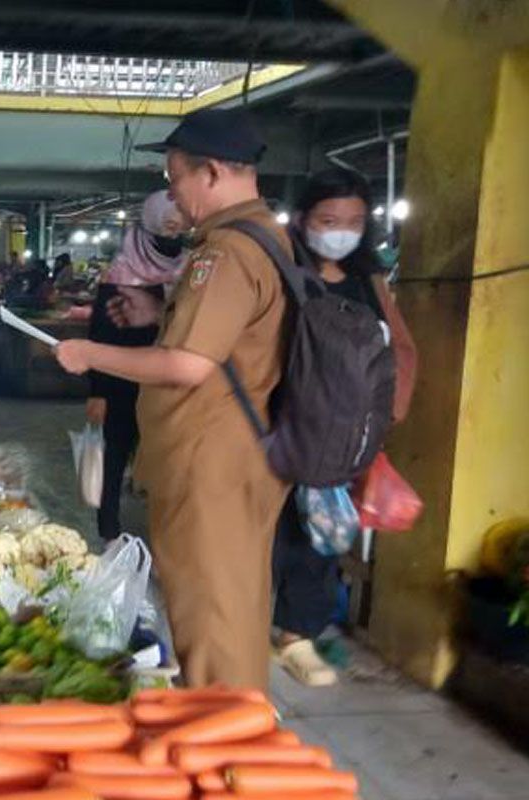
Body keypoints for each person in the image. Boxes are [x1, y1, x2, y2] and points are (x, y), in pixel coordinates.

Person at [54, 107, 290, 690]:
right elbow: (229, 346)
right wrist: (159, 314)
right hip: (234, 458)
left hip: (213, 464)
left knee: (213, 621)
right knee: (226, 608)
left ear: (210, 173)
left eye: (175, 178)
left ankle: (226, 752)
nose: (173, 195)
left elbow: (186, 366)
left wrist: (90, 355)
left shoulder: (227, 252)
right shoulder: (260, 238)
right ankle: (229, 730)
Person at [271, 167, 418, 686]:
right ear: (304, 219)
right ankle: (257, 621)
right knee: (272, 524)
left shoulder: (367, 278)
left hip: (343, 430)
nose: (340, 230)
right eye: (328, 219)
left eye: (354, 221)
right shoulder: (281, 266)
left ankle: (297, 634)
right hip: (279, 419)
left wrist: (386, 418)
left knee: (323, 529)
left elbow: (398, 345)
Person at [88, 191, 187, 542]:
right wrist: (97, 392)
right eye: (167, 227)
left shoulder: (189, 270)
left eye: (180, 228)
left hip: (169, 383)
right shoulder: (120, 274)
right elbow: (99, 334)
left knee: (165, 461)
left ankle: (163, 533)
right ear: (150, 226)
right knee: (114, 455)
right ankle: (109, 527)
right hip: (121, 381)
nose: (174, 237)